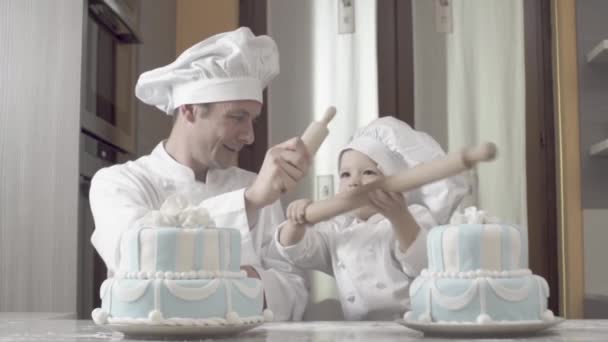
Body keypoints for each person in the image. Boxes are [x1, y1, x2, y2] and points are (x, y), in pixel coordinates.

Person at [89, 27, 310, 321]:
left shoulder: (254, 185)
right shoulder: (119, 183)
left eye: (252, 119)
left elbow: (294, 291)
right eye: (237, 116)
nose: (249, 136)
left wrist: (233, 281)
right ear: (190, 110)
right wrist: (249, 204)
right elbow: (141, 254)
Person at [275, 117, 469, 320]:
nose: (354, 183)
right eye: (345, 174)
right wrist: (297, 220)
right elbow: (297, 251)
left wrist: (399, 216)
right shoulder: (338, 229)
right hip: (358, 333)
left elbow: (422, 264)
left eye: (368, 172)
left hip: (410, 328)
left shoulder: (414, 215)